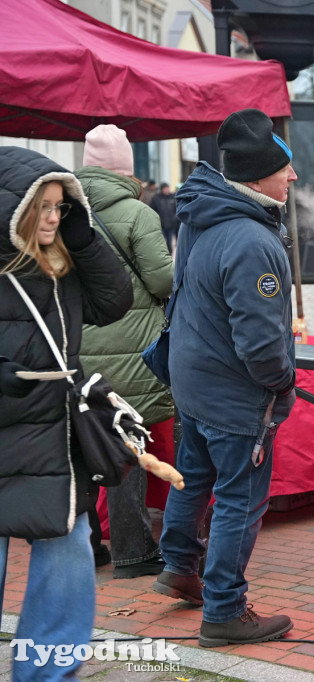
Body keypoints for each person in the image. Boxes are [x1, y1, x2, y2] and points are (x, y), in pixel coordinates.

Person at [154, 108, 297, 648]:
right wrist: (282, 382)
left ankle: (179, 565)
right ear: (259, 176)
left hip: (192, 382)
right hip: (234, 395)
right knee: (240, 498)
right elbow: (260, 344)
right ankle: (224, 611)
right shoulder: (252, 241)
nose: (294, 176)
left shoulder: (201, 214)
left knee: (195, 475)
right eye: (286, 167)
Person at [0, 146, 133, 680]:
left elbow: (115, 301)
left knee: (69, 552)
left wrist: (85, 238)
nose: (54, 216)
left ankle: (48, 673)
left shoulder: (62, 264)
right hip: (10, 427)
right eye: (45, 206)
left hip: (52, 436)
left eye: (61, 206)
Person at [75, 125, 175, 580]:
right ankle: (133, 553)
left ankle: (87, 545)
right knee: (127, 442)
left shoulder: (64, 210)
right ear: (125, 169)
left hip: (77, 347)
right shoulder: (137, 213)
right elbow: (161, 282)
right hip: (131, 349)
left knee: (82, 446)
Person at [149, 182, 179, 255]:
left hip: (171, 224)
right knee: (161, 242)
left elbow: (178, 209)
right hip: (161, 224)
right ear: (162, 189)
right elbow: (151, 210)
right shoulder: (156, 198)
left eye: (168, 188)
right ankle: (162, 256)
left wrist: (176, 218)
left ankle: (170, 255)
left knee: (169, 242)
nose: (167, 190)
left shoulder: (173, 197)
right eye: (165, 188)